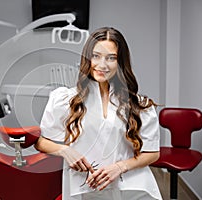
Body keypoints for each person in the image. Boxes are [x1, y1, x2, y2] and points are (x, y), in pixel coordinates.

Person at [34, 27, 162, 200]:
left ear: (120, 62)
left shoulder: (139, 105)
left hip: (132, 188)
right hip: (84, 189)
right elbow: (42, 142)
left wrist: (119, 167)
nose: (102, 65)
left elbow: (152, 153)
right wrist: (64, 151)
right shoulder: (64, 100)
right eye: (96, 56)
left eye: (111, 58)